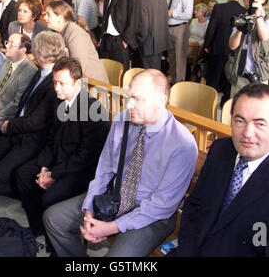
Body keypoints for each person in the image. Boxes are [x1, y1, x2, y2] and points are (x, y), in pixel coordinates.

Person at [43, 69, 198, 257]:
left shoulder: (181, 144)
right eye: (128, 97)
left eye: (137, 99)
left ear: (160, 100)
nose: (129, 104)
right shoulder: (122, 121)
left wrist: (109, 228)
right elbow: (104, 170)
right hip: (114, 196)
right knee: (53, 219)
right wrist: (90, 208)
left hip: (151, 213)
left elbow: (162, 205)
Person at [177, 83, 269, 256]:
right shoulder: (220, 151)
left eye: (259, 124)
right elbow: (194, 208)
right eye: (240, 121)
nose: (247, 133)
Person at [15, 57, 110, 239]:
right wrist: (44, 166)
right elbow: (52, 139)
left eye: (62, 83)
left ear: (78, 83)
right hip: (60, 160)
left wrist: (53, 174)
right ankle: (38, 227)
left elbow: (85, 156)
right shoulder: (59, 101)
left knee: (49, 197)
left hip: (81, 170)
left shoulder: (93, 110)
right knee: (23, 174)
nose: (56, 88)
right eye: (54, 82)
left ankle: (54, 237)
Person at [0, 31, 63, 196]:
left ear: (39, 53)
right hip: (17, 128)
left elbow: (36, 122)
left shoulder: (52, 82)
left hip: (31, 138)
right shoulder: (40, 71)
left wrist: (8, 125)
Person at [228, 0, 269, 96]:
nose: (250, 0)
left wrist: (258, 15)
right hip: (241, 72)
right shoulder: (241, 18)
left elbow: (265, 37)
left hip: (259, 72)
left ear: (262, 0)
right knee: (236, 104)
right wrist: (240, 30)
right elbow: (232, 46)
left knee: (257, 107)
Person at [44, 0, 109, 84]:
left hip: (92, 85)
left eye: (48, 14)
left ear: (59, 18)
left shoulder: (75, 34)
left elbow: (77, 68)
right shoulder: (60, 32)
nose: (45, 17)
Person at [204, 0, 245, 107]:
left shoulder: (219, 7)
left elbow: (212, 27)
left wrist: (207, 44)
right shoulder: (244, 10)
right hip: (234, 49)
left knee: (213, 77)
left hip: (218, 47)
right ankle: (225, 104)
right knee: (229, 79)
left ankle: (208, 103)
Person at [100, 0, 141, 72]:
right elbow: (106, 15)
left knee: (120, 75)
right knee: (105, 73)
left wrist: (125, 40)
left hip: (120, 40)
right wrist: (102, 37)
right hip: (106, 39)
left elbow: (134, 17)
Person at [132, 0, 170, 70]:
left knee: (150, 74)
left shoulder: (142, 0)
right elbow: (165, 17)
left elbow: (143, 27)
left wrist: (136, 42)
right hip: (161, 42)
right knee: (157, 71)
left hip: (148, 44)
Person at [167, 0, 194, 84]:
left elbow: (188, 15)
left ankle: (179, 83)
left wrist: (173, 14)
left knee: (180, 58)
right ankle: (173, 80)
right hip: (170, 28)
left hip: (180, 29)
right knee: (171, 58)